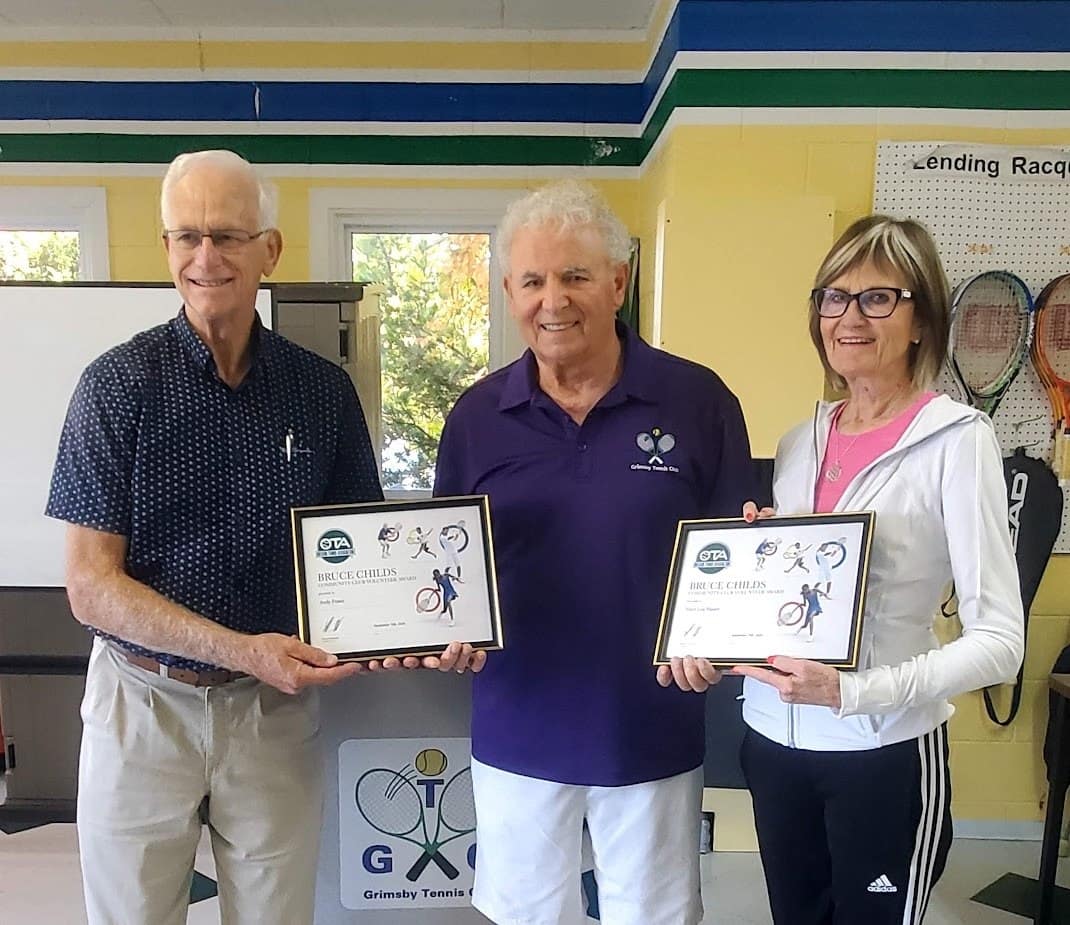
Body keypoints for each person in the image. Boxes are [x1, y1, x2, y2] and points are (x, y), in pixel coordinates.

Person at [44, 149, 463, 925]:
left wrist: (418, 628)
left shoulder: (322, 391)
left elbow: (367, 562)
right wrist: (244, 649)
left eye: (228, 236)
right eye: (187, 236)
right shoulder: (115, 386)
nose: (206, 257)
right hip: (142, 703)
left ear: (270, 248)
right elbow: (90, 586)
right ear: (167, 247)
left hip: (271, 713)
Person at [669, 215, 1024, 924]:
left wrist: (856, 691)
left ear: (922, 319)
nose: (849, 317)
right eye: (834, 297)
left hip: (882, 752)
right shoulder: (800, 441)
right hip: (772, 744)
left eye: (877, 298)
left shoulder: (959, 441)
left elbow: (1001, 641)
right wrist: (729, 617)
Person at [434, 180, 754, 925]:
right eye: (532, 281)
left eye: (575, 276)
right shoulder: (477, 417)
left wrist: (720, 641)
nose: (554, 300)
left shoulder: (699, 402)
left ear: (618, 282)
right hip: (519, 727)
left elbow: (736, 562)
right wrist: (443, 631)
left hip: (651, 727)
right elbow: (448, 566)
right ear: (509, 292)